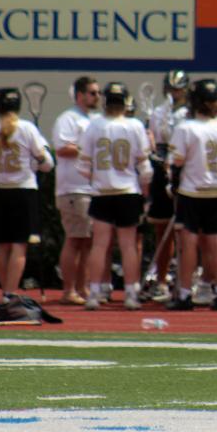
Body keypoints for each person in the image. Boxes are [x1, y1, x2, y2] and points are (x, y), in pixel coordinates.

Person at [80, 82, 152, 311]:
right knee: (129, 245)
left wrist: (97, 179)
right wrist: (144, 187)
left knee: (99, 245)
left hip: (102, 191)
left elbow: (83, 166)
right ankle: (131, 293)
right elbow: (145, 167)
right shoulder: (135, 126)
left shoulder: (94, 126)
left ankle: (94, 292)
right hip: (127, 191)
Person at [0, 88, 54, 300]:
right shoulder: (27, 128)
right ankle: (11, 293)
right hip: (23, 191)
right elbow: (46, 163)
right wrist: (38, 160)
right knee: (19, 246)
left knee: (2, 246)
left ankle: (5, 292)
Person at [166, 79, 217, 312]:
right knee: (216, 244)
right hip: (215, 192)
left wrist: (172, 183)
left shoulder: (185, 128)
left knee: (189, 245)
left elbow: (177, 161)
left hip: (190, 192)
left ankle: (184, 294)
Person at [52, 76, 100, 305]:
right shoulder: (68, 119)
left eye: (98, 93)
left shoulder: (98, 119)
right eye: (92, 92)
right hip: (73, 188)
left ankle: (83, 288)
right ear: (80, 95)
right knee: (74, 239)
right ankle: (68, 290)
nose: (97, 97)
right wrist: (88, 147)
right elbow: (62, 148)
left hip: (93, 187)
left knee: (88, 241)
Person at [144, 69, 189, 303]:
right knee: (162, 229)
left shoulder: (189, 114)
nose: (175, 93)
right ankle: (161, 281)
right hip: (162, 171)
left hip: (183, 171)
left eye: (179, 88)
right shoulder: (158, 112)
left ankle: (184, 282)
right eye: (171, 88)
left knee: (186, 232)